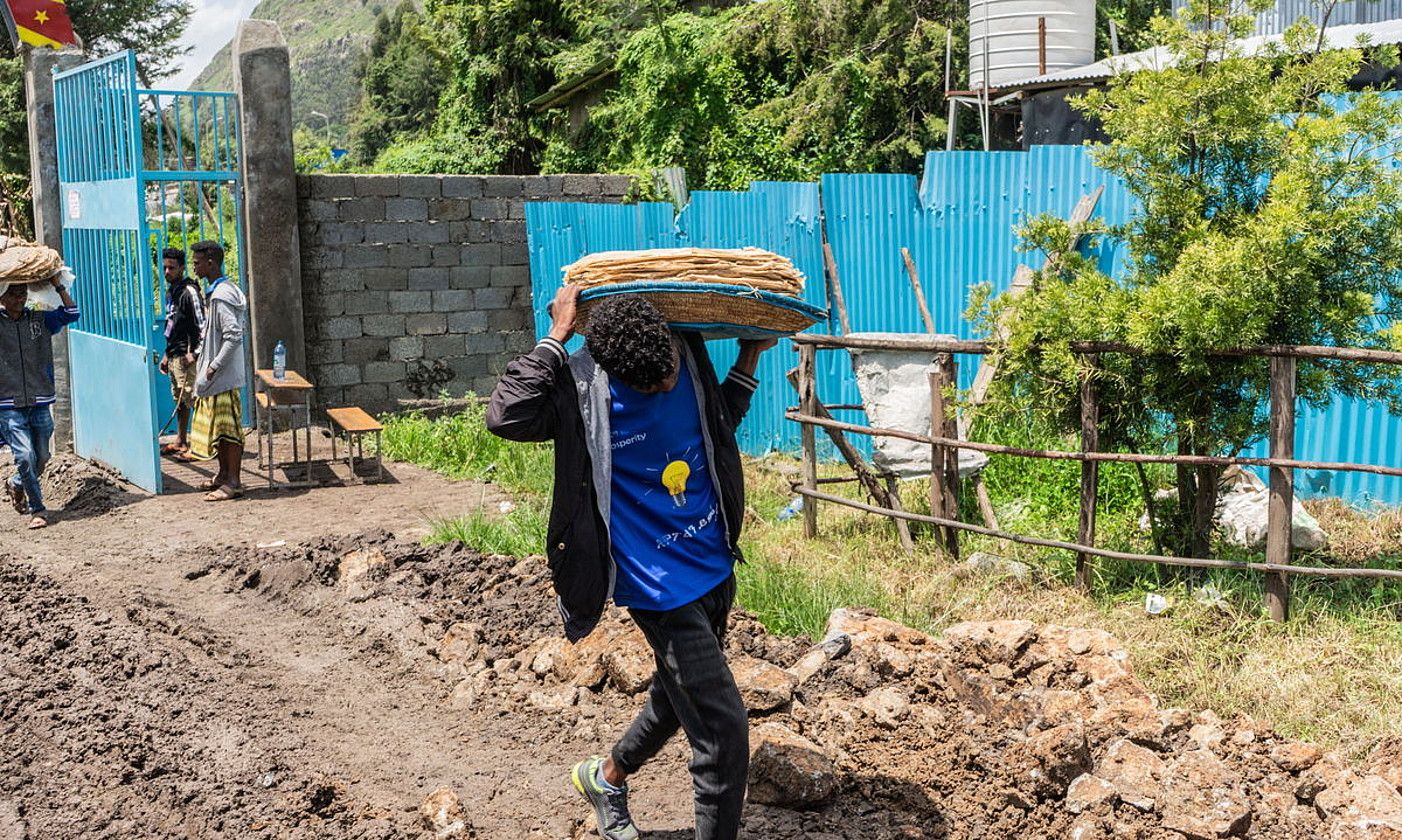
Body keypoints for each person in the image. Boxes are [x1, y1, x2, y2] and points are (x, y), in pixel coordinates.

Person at [486, 285, 776, 840]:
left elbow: (715, 430)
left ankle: (606, 777)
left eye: (667, 370)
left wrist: (748, 355)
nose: (664, 384)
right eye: (648, 384)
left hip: (714, 561)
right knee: (723, 731)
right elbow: (506, 415)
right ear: (613, 371)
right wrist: (557, 336)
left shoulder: (684, 352)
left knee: (677, 697)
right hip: (655, 584)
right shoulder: (580, 388)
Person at [0, 273, 80, 529]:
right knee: (24, 455)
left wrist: (58, 284)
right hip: (8, 403)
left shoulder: (39, 319)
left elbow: (72, 312)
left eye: (23, 293)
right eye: (13, 293)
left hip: (40, 399)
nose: (19, 298)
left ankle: (17, 483)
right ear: (2, 296)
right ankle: (38, 509)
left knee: (42, 456)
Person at [187, 240, 247, 501]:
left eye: (197, 262)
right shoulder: (218, 292)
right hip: (218, 376)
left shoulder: (221, 296)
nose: (194, 266)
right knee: (220, 429)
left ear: (211, 262)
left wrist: (213, 366)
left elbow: (234, 335)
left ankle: (233, 482)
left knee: (228, 430)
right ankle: (223, 475)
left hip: (221, 377)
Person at [158, 247, 204, 459]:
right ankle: (181, 440)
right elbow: (171, 324)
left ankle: (200, 445)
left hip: (188, 356)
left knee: (193, 399)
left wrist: (194, 353)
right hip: (175, 353)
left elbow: (202, 325)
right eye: (165, 267)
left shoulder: (189, 292)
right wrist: (167, 354)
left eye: (172, 268)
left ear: (182, 268)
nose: (167, 272)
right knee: (179, 399)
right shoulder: (171, 292)